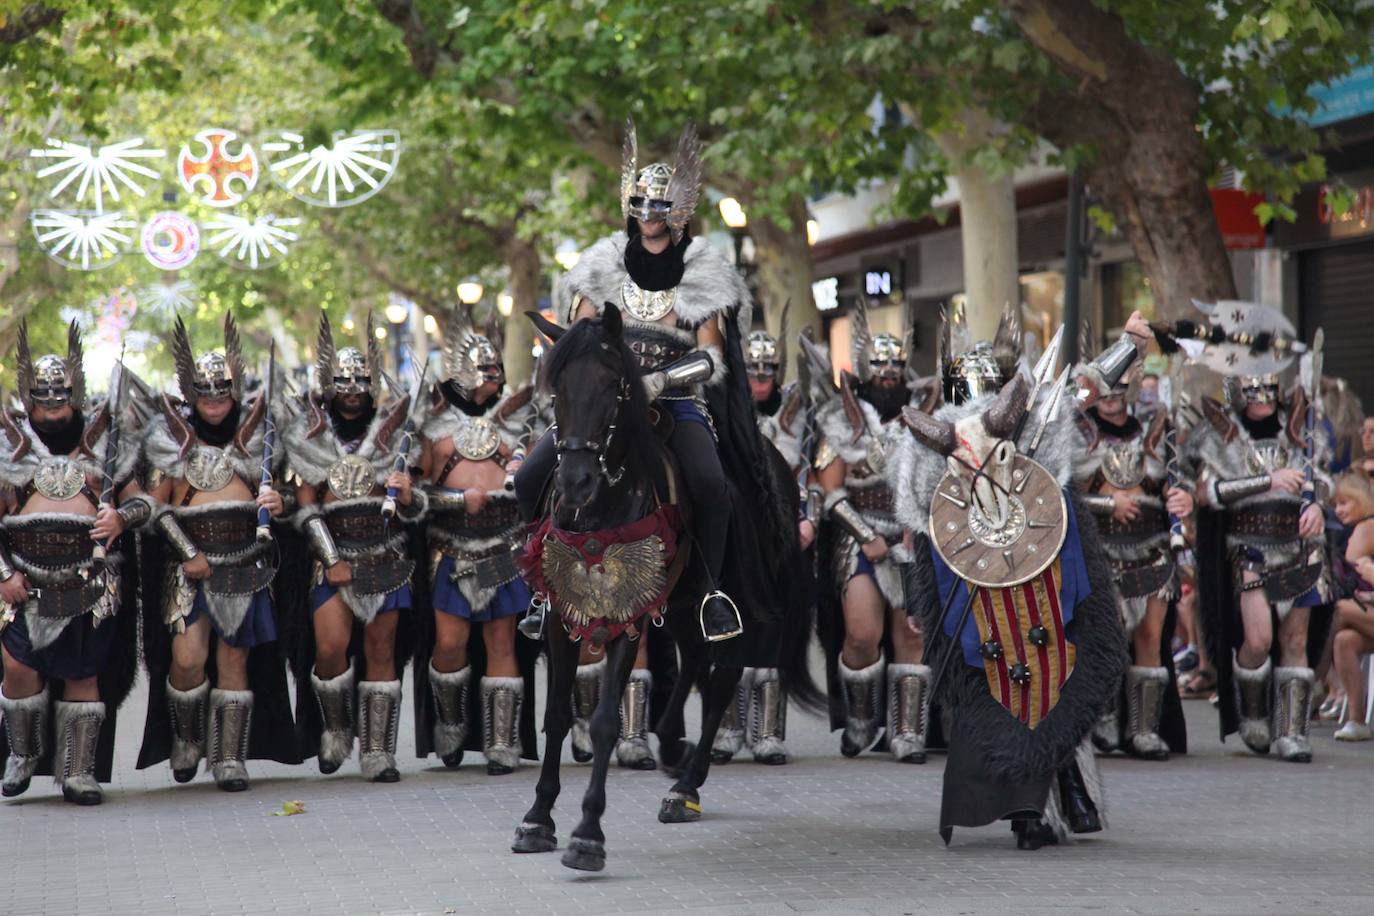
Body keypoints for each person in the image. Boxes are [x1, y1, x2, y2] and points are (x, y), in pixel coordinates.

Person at [891, 310, 1148, 849]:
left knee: (1056, 678)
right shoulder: (927, 451)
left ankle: (1050, 803)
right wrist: (921, 597)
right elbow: (922, 529)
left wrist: (1128, 344)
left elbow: (1083, 388)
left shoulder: (1035, 426)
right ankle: (1028, 810)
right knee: (997, 691)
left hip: (1043, 584)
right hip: (973, 598)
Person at [515, 119, 747, 645]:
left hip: (675, 400)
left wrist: (661, 380)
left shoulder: (702, 271)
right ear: (630, 205)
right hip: (603, 400)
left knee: (710, 484)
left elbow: (711, 356)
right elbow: (578, 338)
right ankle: (540, 588)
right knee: (529, 477)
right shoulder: (599, 266)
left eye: (660, 205)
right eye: (641, 203)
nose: (649, 214)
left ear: (678, 210)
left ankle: (711, 592)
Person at [136, 315, 298, 792]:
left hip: (245, 561)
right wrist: (188, 553)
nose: (213, 400)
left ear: (233, 392)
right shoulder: (170, 440)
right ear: (192, 394)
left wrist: (280, 502)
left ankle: (229, 759)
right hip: (188, 566)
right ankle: (187, 738)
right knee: (187, 658)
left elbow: (290, 494)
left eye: (221, 392)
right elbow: (155, 509)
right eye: (204, 393)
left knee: (235, 661)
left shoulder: (262, 436)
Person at [0, 322, 150, 805]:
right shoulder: (8, 447)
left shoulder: (105, 443)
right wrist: (5, 574)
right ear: (29, 401)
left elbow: (143, 502)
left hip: (90, 579)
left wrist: (120, 518)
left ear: (74, 397)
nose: (52, 408)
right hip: (24, 581)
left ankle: (79, 772)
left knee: (83, 675)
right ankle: (22, 753)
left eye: (60, 399)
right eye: (43, 400)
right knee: (17, 668)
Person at [282, 313, 426, 782]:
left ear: (371, 385)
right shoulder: (309, 436)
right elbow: (306, 506)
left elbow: (415, 504)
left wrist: (408, 496)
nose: (351, 389)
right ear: (330, 385)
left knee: (382, 649)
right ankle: (336, 729)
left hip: (385, 555)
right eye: (342, 382)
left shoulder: (395, 434)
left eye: (360, 381)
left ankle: (379, 753)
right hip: (332, 557)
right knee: (330, 648)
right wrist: (332, 559)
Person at [805, 300, 932, 763]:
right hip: (859, 537)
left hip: (913, 534)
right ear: (865, 367)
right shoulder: (841, 418)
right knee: (861, 634)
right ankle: (860, 719)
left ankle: (908, 733)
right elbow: (829, 491)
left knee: (913, 637)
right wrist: (865, 536)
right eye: (879, 364)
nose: (888, 373)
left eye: (896, 365)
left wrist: (918, 528)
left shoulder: (926, 415)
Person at [1191, 347, 1330, 763]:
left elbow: (1323, 479)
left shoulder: (1301, 427)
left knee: (1296, 639)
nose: (1263, 400)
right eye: (1254, 392)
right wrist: (1267, 480)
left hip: (1300, 545)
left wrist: (1317, 506)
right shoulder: (1221, 435)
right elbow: (1207, 493)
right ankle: (1253, 711)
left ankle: (1293, 732)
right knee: (1258, 640)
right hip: (1249, 546)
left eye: (1269, 390)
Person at [418, 311, 538, 774]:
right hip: (451, 547)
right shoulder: (433, 426)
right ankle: (450, 725)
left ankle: (502, 742)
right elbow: (416, 494)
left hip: (503, 545)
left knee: (502, 640)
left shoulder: (518, 419)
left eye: (496, 368)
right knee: (451, 643)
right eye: (485, 370)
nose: (494, 376)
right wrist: (456, 499)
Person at [1074, 360, 1193, 760]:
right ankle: (1104, 718)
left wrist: (1183, 498)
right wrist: (1109, 504)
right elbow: (1062, 495)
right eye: (1104, 388)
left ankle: (1143, 730)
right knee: (1107, 634)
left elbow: (1180, 482)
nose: (1111, 396)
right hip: (1100, 550)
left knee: (1150, 636)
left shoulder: (1156, 429)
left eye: (1118, 388)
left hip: (1152, 546)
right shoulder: (1077, 434)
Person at [710, 325, 813, 765]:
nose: (759, 378)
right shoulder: (715, 410)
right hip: (732, 529)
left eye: (766, 370)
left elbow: (816, 468)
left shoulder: (801, 411)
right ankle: (726, 727)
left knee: (773, 619)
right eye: (751, 370)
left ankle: (768, 732)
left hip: (785, 526)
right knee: (725, 621)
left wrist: (809, 519)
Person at [1326, 471, 1374, 740]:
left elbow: (1346, 578)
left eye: (1344, 502)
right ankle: (1356, 720)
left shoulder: (1367, 527)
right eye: (1335, 505)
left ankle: (1311, 677)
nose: (1338, 510)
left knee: (1338, 610)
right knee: (1344, 640)